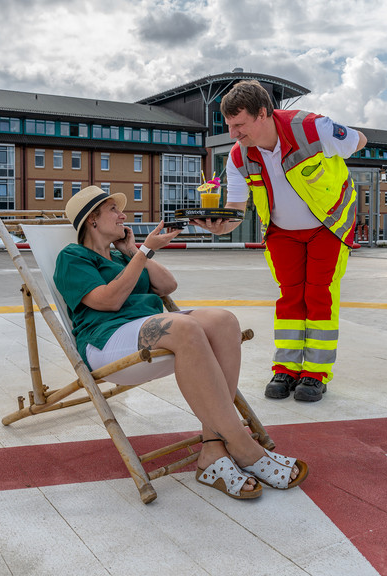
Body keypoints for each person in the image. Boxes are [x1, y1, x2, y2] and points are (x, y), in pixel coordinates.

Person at [53, 186, 308, 500]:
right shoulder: (72, 257)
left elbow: (167, 285)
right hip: (106, 339)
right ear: (92, 220)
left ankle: (213, 449)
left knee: (223, 321)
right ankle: (243, 446)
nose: (123, 215)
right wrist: (145, 251)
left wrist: (134, 251)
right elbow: (109, 300)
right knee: (186, 327)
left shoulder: (124, 255)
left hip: (147, 328)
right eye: (113, 210)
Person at [192, 80, 367, 402]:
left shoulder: (313, 129)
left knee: (319, 296)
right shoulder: (239, 156)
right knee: (290, 298)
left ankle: (315, 373)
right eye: (230, 126)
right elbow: (235, 208)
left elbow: (359, 141)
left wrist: (332, 161)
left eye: (239, 125)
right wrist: (219, 228)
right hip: (281, 232)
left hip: (326, 227)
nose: (234, 134)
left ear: (263, 113)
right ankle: (286, 368)